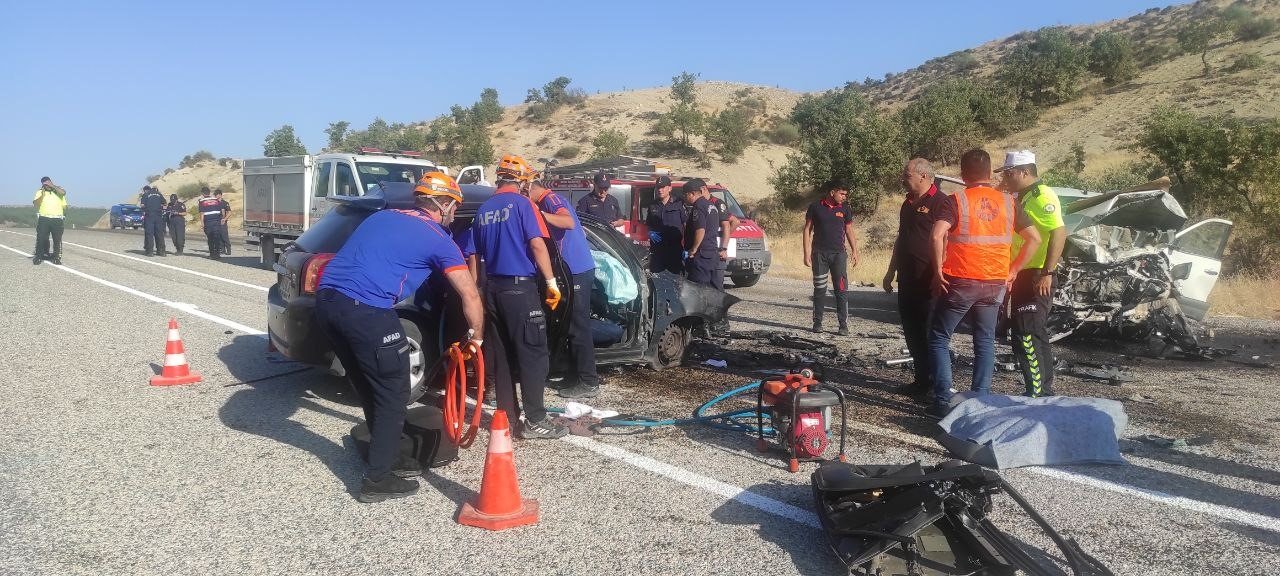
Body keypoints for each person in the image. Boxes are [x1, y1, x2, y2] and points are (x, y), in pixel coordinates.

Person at [315, 172, 484, 503]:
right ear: (445, 203)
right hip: (366, 309)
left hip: (326, 303)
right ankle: (377, 479)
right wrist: (476, 338)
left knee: (368, 384)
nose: (453, 213)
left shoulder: (382, 215)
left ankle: (387, 454)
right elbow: (470, 295)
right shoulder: (439, 239)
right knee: (394, 390)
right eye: (454, 206)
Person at [926, 149, 1040, 418]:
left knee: (940, 337)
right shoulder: (1008, 201)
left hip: (962, 279)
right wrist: (1013, 270)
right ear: (990, 173)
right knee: (985, 339)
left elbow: (936, 236)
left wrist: (937, 270)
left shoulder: (956, 200)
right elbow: (1034, 238)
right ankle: (981, 398)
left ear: (963, 175)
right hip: (995, 283)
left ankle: (943, 400)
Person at [472, 155, 566, 440]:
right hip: (520, 290)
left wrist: (478, 290)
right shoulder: (524, 205)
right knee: (533, 355)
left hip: (493, 291)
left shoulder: (483, 209)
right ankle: (536, 419)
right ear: (522, 181)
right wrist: (551, 282)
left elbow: (473, 255)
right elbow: (537, 244)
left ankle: (508, 418)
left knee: (500, 358)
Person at [995, 150, 1066, 398]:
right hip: (1024, 273)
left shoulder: (1042, 195)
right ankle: (1042, 388)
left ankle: (1037, 392)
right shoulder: (1021, 196)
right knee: (1029, 332)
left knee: (1027, 332)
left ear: (1025, 172)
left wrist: (1048, 272)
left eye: (1010, 173)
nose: (1007, 177)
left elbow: (1059, 232)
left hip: (1037, 274)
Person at [884, 159, 951, 400]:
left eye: (907, 174)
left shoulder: (942, 202)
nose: (903, 177)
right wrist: (890, 271)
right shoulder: (907, 203)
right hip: (907, 277)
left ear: (923, 176)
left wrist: (939, 273)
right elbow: (901, 239)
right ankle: (921, 381)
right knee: (911, 331)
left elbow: (945, 241)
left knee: (929, 332)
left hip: (929, 279)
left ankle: (937, 385)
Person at [530, 178, 600, 400]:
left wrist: (538, 216)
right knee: (568, 326)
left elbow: (568, 222)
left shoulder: (550, 199)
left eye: (524, 191)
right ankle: (575, 375)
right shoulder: (548, 199)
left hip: (576, 270)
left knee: (578, 327)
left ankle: (589, 381)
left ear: (532, 187)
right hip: (571, 270)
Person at [802, 179, 860, 335]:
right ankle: (817, 323)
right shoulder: (815, 207)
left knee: (841, 290)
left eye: (845, 194)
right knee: (820, 289)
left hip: (839, 255)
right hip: (819, 255)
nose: (844, 197)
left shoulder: (845, 209)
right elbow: (807, 230)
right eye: (841, 193)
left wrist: (855, 250)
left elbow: (849, 230)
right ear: (832, 192)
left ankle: (843, 325)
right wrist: (806, 253)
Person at [681, 179, 719, 288]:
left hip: (701, 256)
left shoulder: (698, 207)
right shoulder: (711, 206)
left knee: (698, 289)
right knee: (711, 288)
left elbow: (700, 230)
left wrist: (693, 249)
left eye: (685, 195)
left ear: (692, 194)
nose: (684, 198)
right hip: (711, 254)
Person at [645, 175, 685, 275]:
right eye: (658, 187)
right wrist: (650, 233)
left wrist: (687, 246)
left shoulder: (679, 204)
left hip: (674, 249)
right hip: (657, 250)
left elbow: (686, 224)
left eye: (663, 187)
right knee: (658, 279)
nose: (660, 190)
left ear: (670, 188)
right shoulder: (652, 205)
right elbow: (649, 224)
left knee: (675, 280)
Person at [704, 186, 740, 291]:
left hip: (716, 249)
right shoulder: (701, 203)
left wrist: (722, 237)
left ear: (703, 190)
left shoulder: (716, 203)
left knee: (716, 285)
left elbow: (734, 222)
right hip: (706, 249)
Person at [32, 176, 67, 265]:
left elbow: (63, 193)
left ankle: (56, 258)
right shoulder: (40, 192)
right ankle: (38, 257)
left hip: (57, 219)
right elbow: (35, 203)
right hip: (44, 218)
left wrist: (53, 186)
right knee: (41, 238)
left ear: (51, 182)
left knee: (57, 239)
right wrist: (42, 194)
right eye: (45, 183)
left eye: (48, 182)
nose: (47, 184)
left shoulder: (58, 190)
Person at [196, 187, 226, 259]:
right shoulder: (216, 200)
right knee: (217, 238)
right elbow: (222, 211)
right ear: (209, 192)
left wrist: (202, 223)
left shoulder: (202, 201)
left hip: (208, 222)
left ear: (203, 193)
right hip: (217, 221)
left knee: (210, 238)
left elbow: (202, 213)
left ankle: (212, 255)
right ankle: (217, 254)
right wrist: (222, 218)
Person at [139, 185, 167, 257]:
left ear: (145, 190)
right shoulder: (159, 194)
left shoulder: (146, 194)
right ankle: (161, 252)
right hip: (158, 216)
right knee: (159, 234)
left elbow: (142, 205)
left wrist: (147, 207)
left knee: (149, 234)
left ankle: (150, 251)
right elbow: (165, 203)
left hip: (149, 216)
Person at [214, 189, 232, 255]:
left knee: (224, 236)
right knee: (219, 236)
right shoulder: (215, 203)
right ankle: (222, 249)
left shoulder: (224, 203)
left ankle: (228, 250)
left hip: (222, 221)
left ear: (220, 195)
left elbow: (229, 212)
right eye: (215, 195)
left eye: (216, 194)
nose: (215, 196)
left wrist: (224, 219)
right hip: (216, 221)